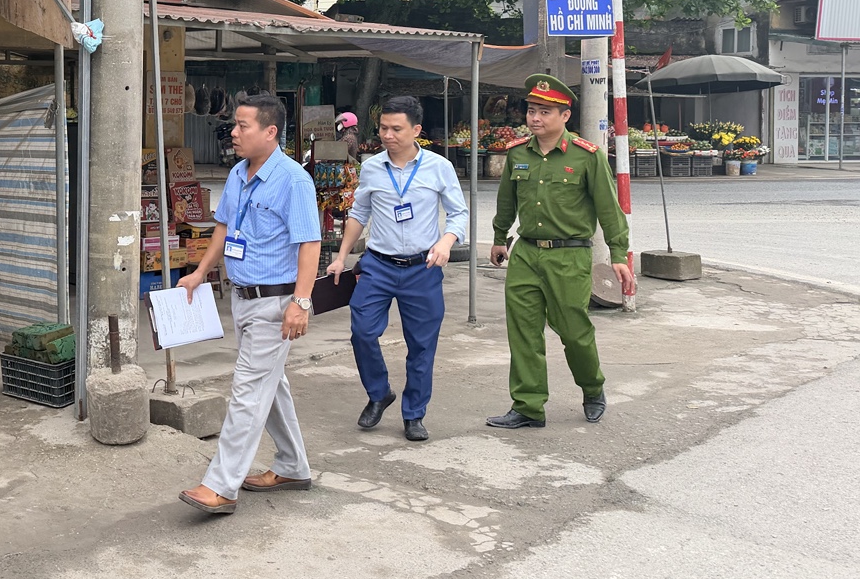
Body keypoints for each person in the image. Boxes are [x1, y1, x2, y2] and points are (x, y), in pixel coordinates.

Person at [177, 93, 321, 515]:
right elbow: (223, 227)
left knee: (246, 391)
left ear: (270, 132)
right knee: (270, 386)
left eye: (243, 126)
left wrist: (301, 302)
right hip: (243, 299)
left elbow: (309, 245)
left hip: (275, 304)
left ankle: (221, 486)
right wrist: (201, 271)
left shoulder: (293, 180)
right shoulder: (239, 172)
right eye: (234, 126)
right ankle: (293, 466)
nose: (234, 133)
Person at [487, 75, 634, 428]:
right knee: (523, 331)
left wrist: (618, 253)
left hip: (569, 256)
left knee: (573, 331)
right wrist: (498, 236)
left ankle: (592, 387)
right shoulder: (518, 153)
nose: (535, 118)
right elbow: (506, 201)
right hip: (526, 254)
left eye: (545, 112)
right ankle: (528, 406)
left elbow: (608, 209)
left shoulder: (587, 156)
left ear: (565, 116)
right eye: (532, 111)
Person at [325, 96, 469, 442]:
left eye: (396, 129)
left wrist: (446, 242)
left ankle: (414, 414)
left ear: (416, 130)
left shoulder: (438, 167)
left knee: (421, 345)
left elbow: (459, 213)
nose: (387, 135)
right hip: (378, 266)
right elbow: (359, 214)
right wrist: (342, 255)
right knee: (362, 331)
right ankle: (379, 393)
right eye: (383, 128)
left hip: (423, 268)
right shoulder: (372, 167)